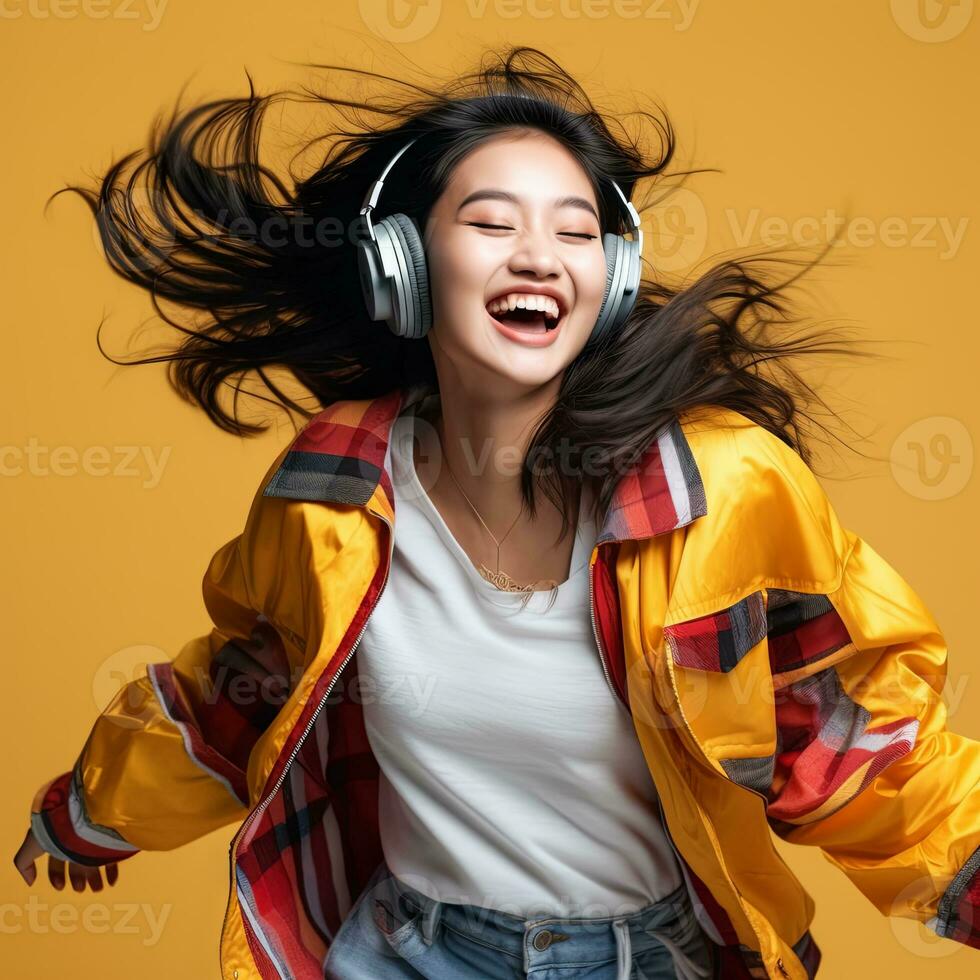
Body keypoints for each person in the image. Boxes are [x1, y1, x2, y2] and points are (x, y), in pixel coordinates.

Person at [14, 45, 979, 980]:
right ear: (403, 262)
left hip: (646, 962)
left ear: (613, 281)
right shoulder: (336, 491)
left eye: (573, 231)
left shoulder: (719, 490)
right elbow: (249, 685)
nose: (541, 258)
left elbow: (853, 734)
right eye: (490, 223)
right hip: (402, 951)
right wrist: (97, 805)